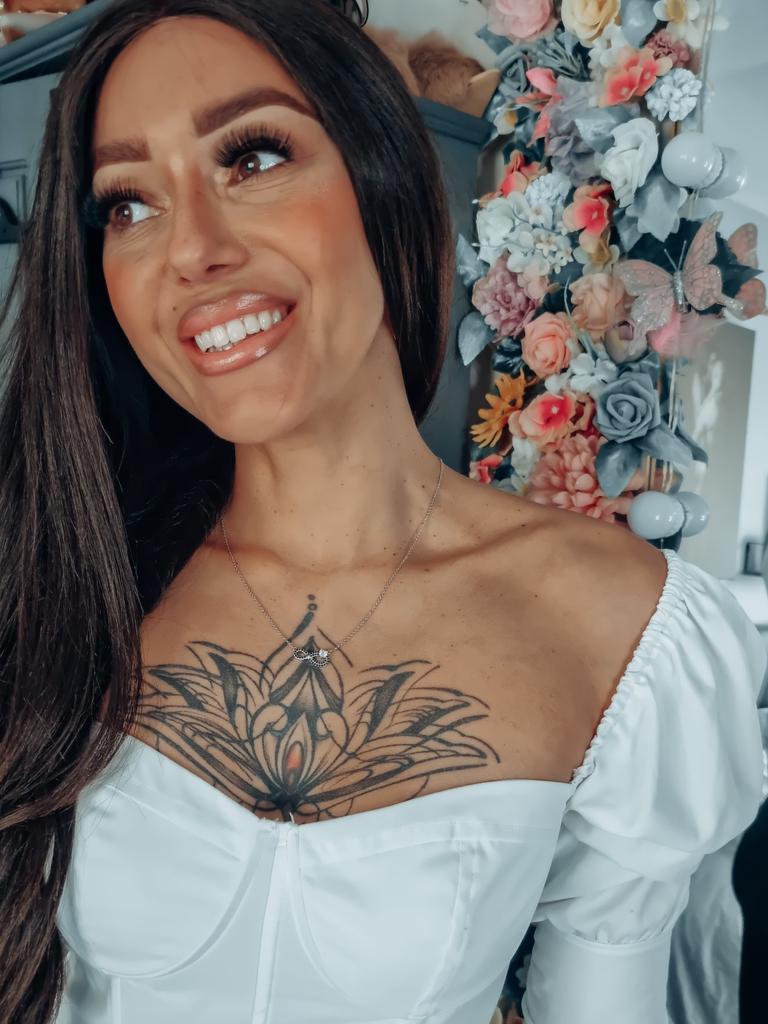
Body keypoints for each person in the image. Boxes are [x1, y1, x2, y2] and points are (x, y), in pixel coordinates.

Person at [0, 2, 764, 1023]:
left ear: (383, 176)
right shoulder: (57, 572)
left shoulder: (623, 628)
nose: (192, 251)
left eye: (253, 157)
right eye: (128, 205)